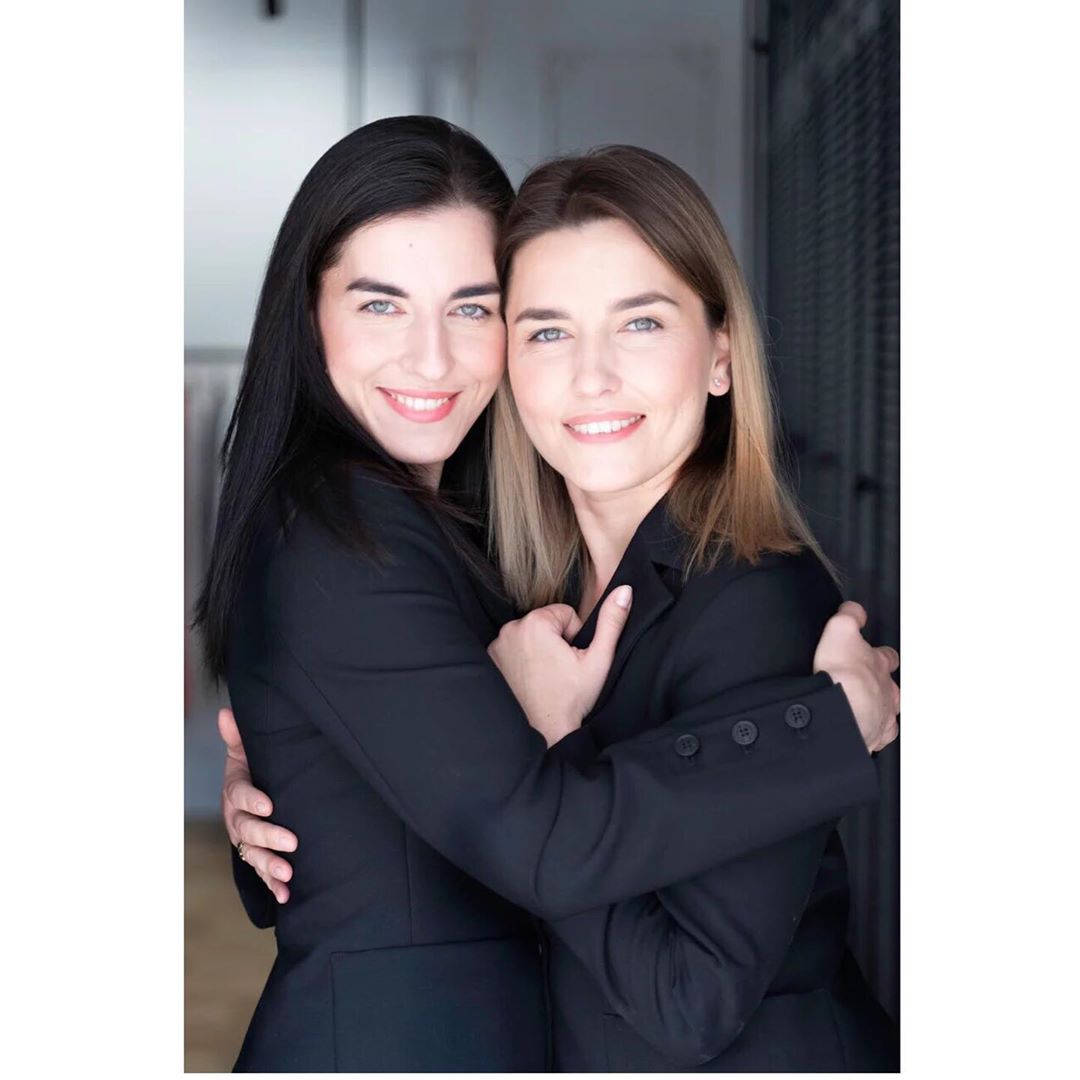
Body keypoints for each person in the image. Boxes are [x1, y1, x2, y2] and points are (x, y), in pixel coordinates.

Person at [200, 117, 898, 1072]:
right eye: (381, 305)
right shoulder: (353, 534)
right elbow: (521, 830)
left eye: (472, 308)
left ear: (722, 354)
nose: (431, 358)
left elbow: (665, 973)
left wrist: (298, 794)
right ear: (307, 317)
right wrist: (825, 729)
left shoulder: (667, 587)